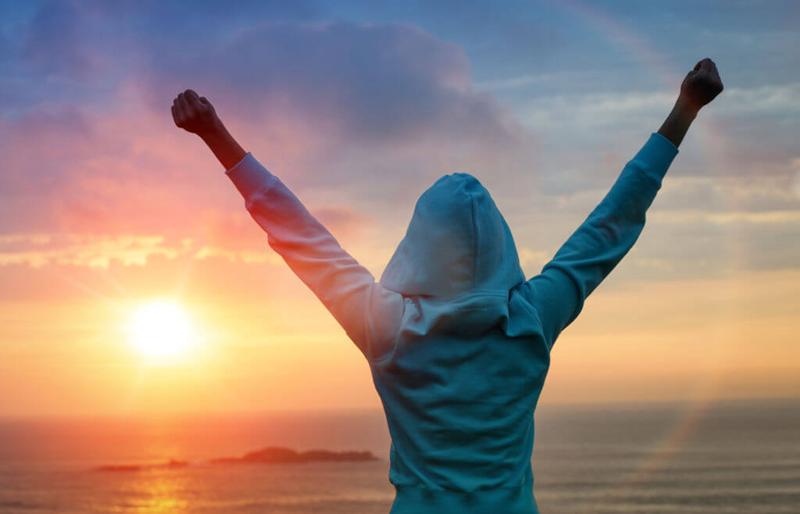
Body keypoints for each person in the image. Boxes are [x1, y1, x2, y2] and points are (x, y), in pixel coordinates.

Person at [171, 57, 724, 514]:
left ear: (417, 245)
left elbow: (302, 237)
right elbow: (609, 227)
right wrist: (686, 110)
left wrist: (214, 135)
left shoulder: (386, 325)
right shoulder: (532, 317)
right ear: (501, 241)